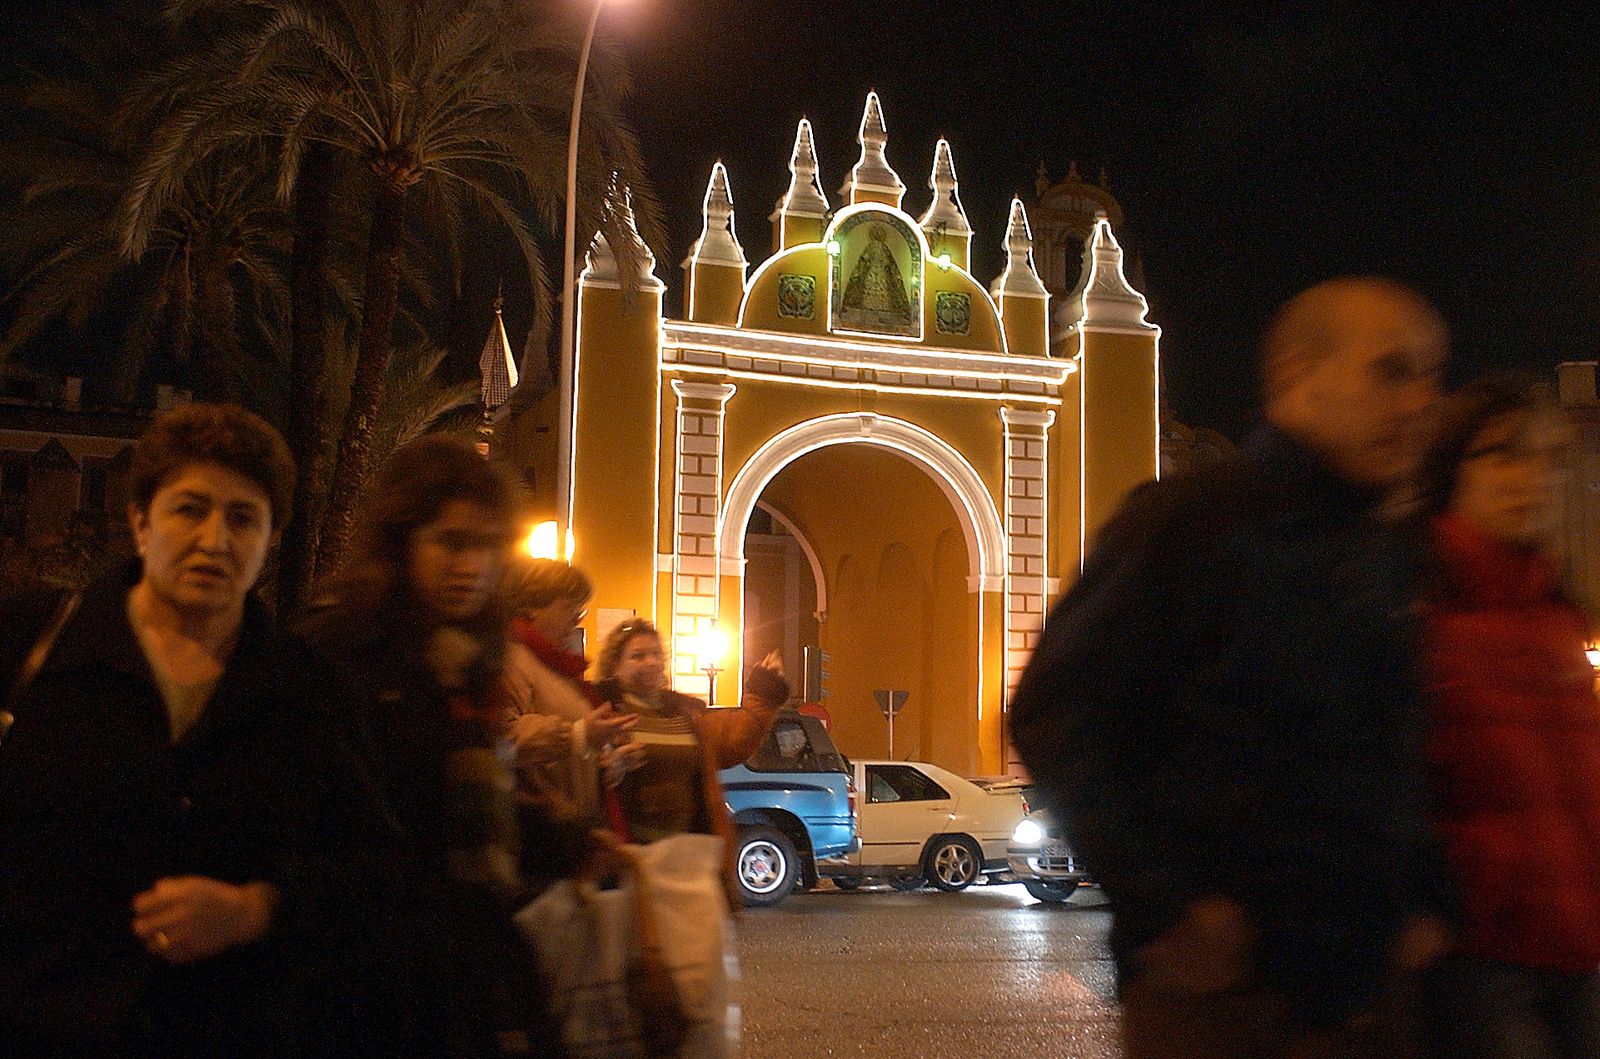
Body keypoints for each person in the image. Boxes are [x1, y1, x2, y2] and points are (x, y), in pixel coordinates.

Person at [1010, 277, 1456, 1057]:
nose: (1420, 403)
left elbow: (1401, 747)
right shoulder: (1187, 523)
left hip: (1367, 991)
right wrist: (1168, 907)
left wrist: (1422, 898)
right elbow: (1057, 709)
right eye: (1391, 370)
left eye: (1429, 377)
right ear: (1294, 372)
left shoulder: (1392, 551)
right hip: (1226, 1003)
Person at [0, 403, 393, 1057]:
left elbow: (378, 869)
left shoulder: (314, 693)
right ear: (140, 519)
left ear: (271, 538)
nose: (215, 539)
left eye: (243, 517)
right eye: (190, 508)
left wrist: (256, 909)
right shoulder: (26, 647)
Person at [296, 435, 561, 1058]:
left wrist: (558, 834)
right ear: (401, 543)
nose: (472, 565)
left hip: (469, 985)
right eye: (451, 542)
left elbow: (466, 835)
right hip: (369, 995)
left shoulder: (469, 663)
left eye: (489, 546)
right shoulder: (336, 657)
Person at [1414, 375, 1600, 1058]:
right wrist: (1458, 891)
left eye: (1549, 459)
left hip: (1581, 949)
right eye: (1504, 454)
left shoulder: (1557, 613)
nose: (1533, 477)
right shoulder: (1419, 603)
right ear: (1451, 468)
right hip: (1485, 958)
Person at [593, 620, 786, 906]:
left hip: (683, 856)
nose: (651, 662)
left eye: (657, 654)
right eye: (637, 656)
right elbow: (581, 770)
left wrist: (764, 692)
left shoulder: (684, 714)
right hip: (626, 859)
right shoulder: (600, 711)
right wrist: (608, 769)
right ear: (615, 666)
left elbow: (731, 738)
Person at [499, 557, 639, 885]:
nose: (576, 618)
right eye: (568, 608)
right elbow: (503, 735)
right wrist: (578, 734)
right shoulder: (514, 660)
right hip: (540, 842)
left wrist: (610, 761)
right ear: (534, 606)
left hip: (572, 839)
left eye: (581, 610)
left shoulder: (560, 668)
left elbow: (580, 751)